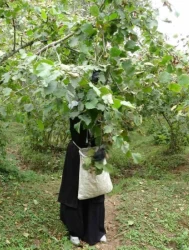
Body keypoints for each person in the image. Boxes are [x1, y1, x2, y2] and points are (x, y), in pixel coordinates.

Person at [58, 71, 106, 246]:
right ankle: (75, 230)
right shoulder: (76, 100)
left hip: (96, 150)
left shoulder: (103, 100)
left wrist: (103, 147)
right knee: (74, 190)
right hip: (78, 151)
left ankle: (96, 230)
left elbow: (107, 128)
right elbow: (74, 123)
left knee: (96, 188)